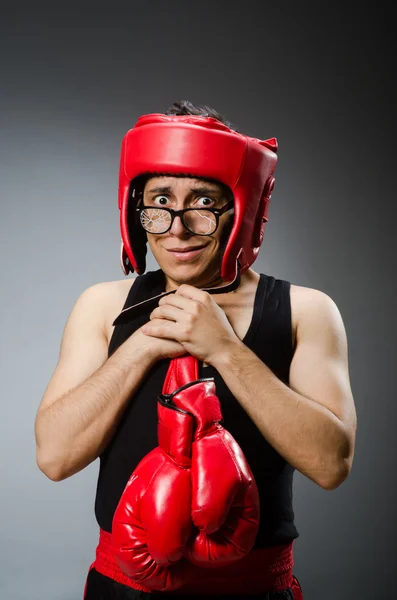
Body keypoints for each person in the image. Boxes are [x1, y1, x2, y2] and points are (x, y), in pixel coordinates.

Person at [34, 101, 357, 599]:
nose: (177, 228)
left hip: (253, 589)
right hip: (123, 587)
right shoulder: (104, 306)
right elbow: (54, 457)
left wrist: (226, 350)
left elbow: (332, 465)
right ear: (136, 212)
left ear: (242, 208)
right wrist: (140, 344)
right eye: (160, 202)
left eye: (203, 204)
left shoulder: (305, 311)